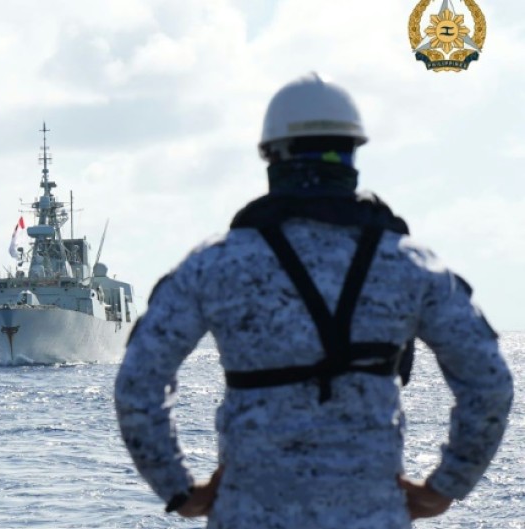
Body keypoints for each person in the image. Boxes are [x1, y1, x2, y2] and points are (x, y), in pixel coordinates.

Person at [114, 73, 513, 529]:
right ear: (352, 154)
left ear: (270, 156)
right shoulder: (412, 267)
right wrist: (446, 487)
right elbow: (489, 382)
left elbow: (138, 383)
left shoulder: (215, 265)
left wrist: (179, 490)